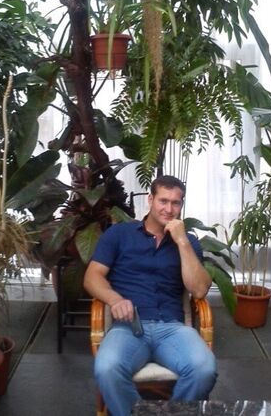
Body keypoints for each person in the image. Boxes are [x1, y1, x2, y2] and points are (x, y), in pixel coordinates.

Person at [84, 175, 217, 416]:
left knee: (204, 369)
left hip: (172, 329)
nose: (169, 209)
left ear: (181, 205)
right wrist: (115, 299)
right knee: (107, 368)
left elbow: (199, 290)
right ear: (150, 199)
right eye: (163, 201)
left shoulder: (188, 242)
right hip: (129, 326)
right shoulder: (119, 234)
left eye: (175, 203)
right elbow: (92, 277)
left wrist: (182, 242)